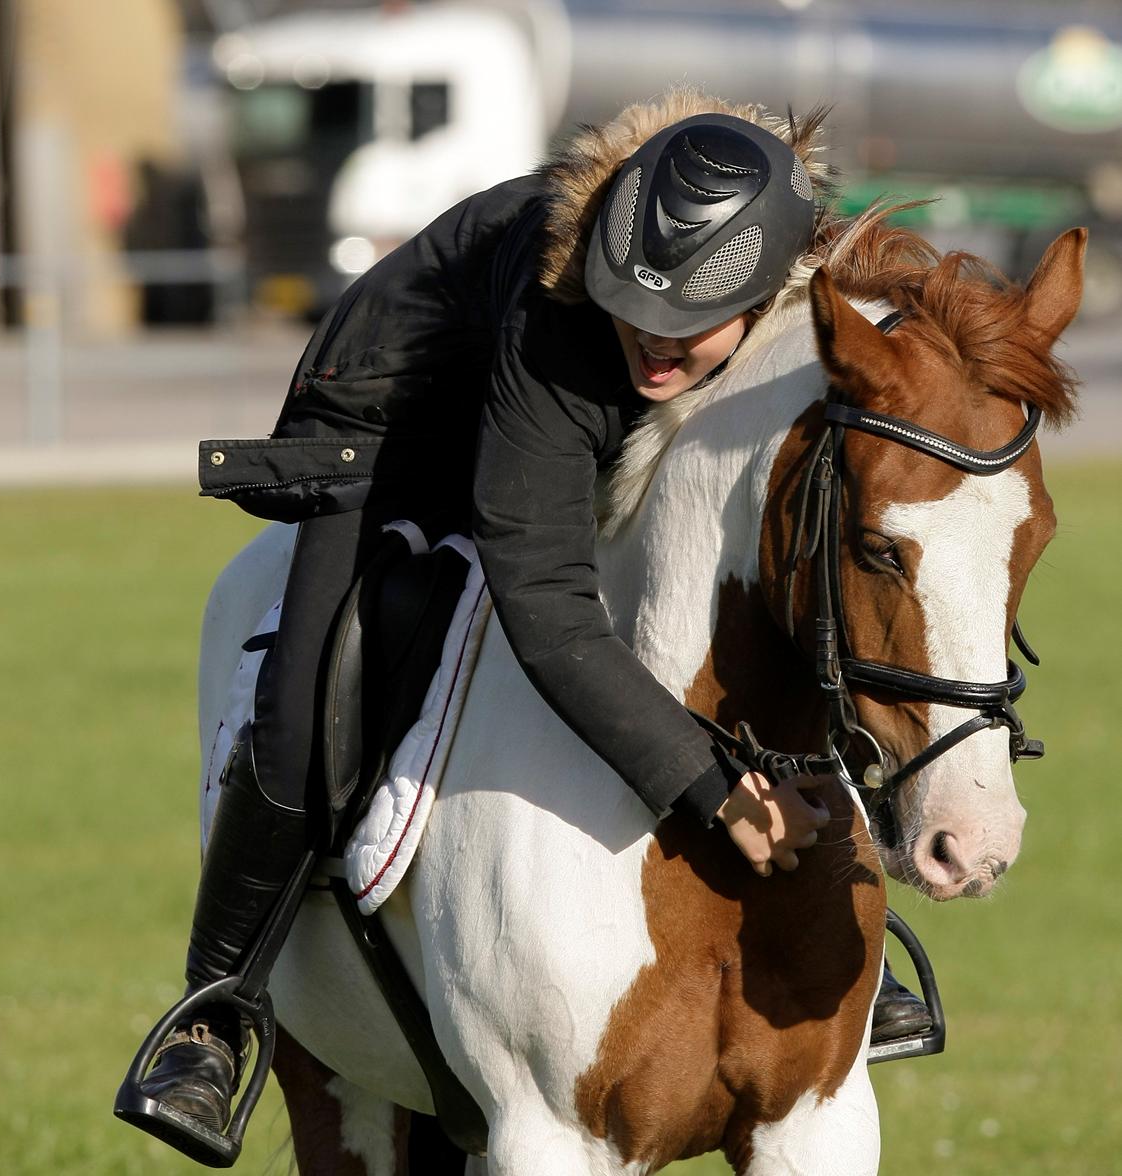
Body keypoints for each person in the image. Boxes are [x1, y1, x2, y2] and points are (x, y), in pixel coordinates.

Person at [125, 90, 930, 1152]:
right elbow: (544, 603)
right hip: (396, 420)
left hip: (585, 433)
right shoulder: (563, 314)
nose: (653, 343)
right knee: (319, 678)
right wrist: (709, 791)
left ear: (767, 289)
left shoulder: (790, 295)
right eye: (634, 310)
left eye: (686, 325)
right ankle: (215, 1009)